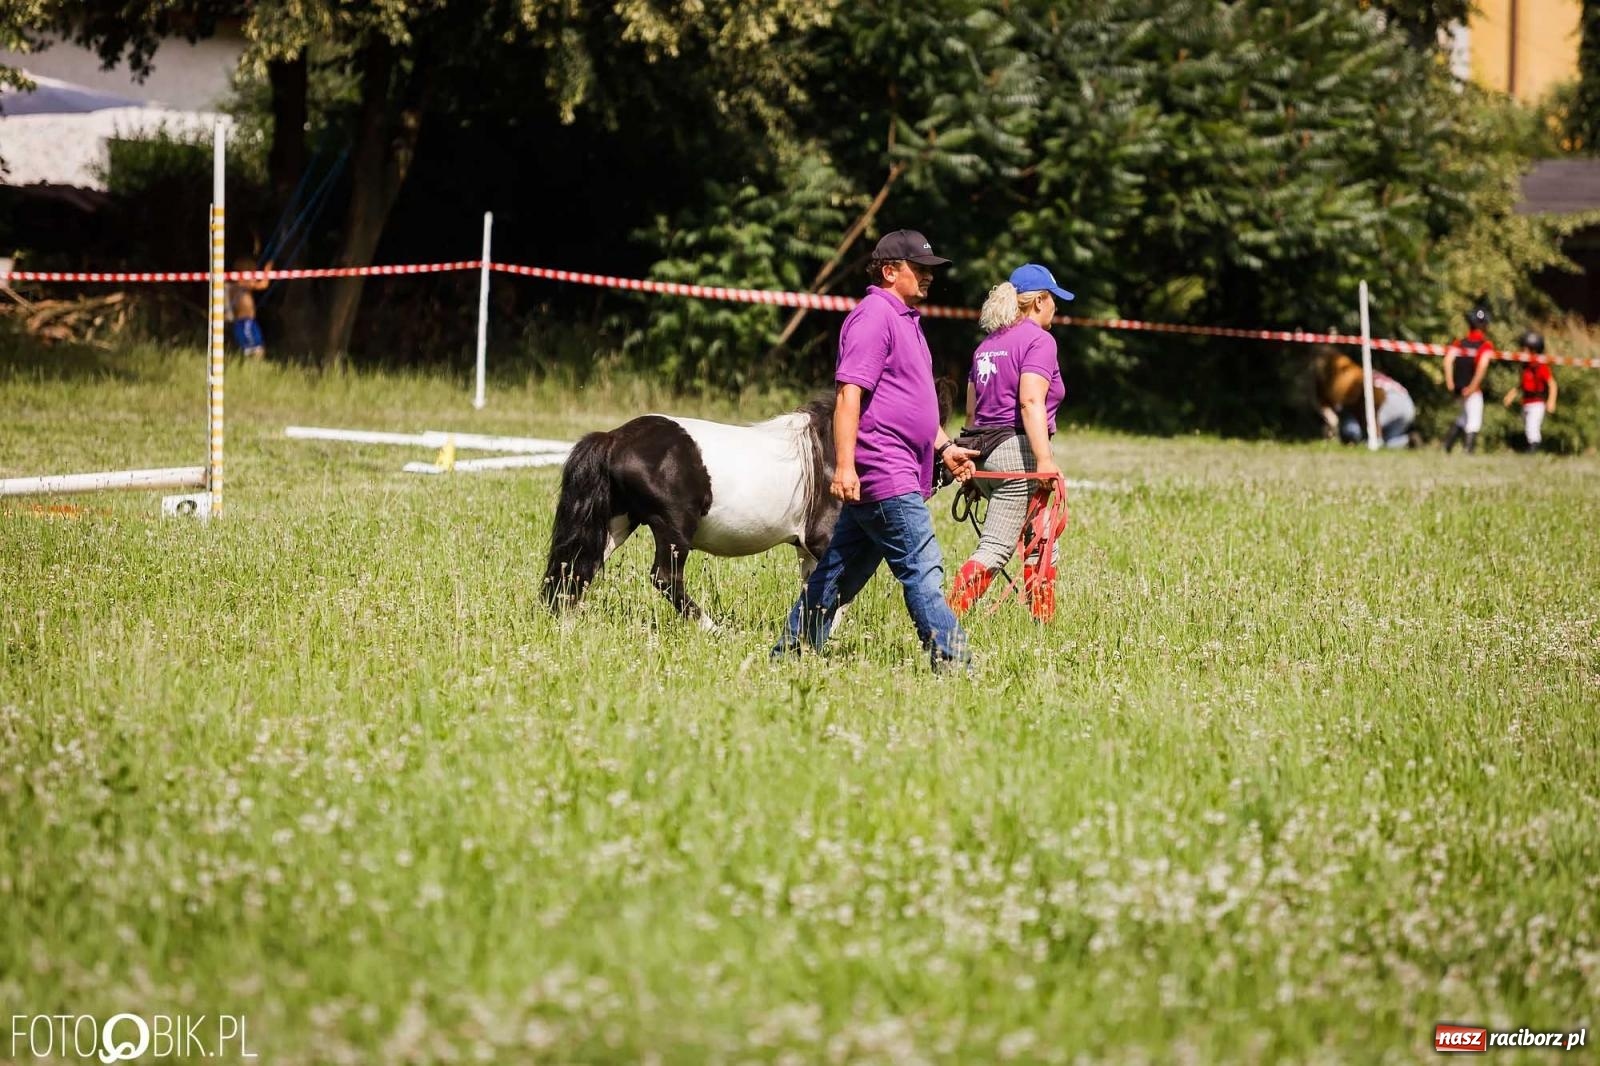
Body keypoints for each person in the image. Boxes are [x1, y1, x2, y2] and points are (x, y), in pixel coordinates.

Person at [772, 229, 980, 670]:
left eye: (930, 270)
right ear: (890, 271)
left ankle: (790, 653)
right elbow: (850, 396)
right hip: (883, 470)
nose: (928, 277)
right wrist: (844, 467)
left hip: (893, 469)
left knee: (837, 575)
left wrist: (943, 447)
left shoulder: (906, 320)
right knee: (923, 569)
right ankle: (955, 662)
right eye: (918, 269)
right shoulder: (873, 317)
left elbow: (913, 400)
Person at [947, 263, 1072, 622]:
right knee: (997, 548)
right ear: (1037, 302)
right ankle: (942, 627)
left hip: (982, 453)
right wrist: (1044, 460)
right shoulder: (1039, 341)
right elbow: (1030, 401)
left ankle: (1042, 628)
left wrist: (974, 471)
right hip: (1017, 455)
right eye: (1053, 301)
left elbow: (972, 412)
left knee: (1043, 543)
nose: (1056, 309)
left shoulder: (987, 345)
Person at [1442, 303, 1496, 454]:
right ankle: (1468, 450)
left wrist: (1450, 383)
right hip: (1473, 389)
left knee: (1463, 417)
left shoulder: (1459, 343)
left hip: (1459, 388)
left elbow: (1447, 361)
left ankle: (1447, 445)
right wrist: (1472, 387)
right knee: (1474, 420)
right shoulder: (1485, 345)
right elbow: (1482, 367)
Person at [1503, 329, 1558, 453]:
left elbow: (1552, 384)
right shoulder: (1525, 367)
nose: (1522, 352)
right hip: (1526, 402)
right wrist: (1511, 395)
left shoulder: (1541, 366)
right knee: (1527, 425)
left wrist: (1551, 401)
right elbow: (1521, 385)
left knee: (1532, 427)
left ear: (1534, 350)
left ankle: (1533, 450)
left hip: (1537, 403)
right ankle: (1531, 447)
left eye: (1525, 349)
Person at [225, 257, 271, 360]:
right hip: (245, 323)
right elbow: (263, 284)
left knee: (255, 347)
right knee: (255, 348)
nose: (254, 278)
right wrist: (268, 269)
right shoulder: (241, 285)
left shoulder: (240, 286)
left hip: (248, 322)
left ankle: (252, 364)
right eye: (252, 274)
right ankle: (253, 365)